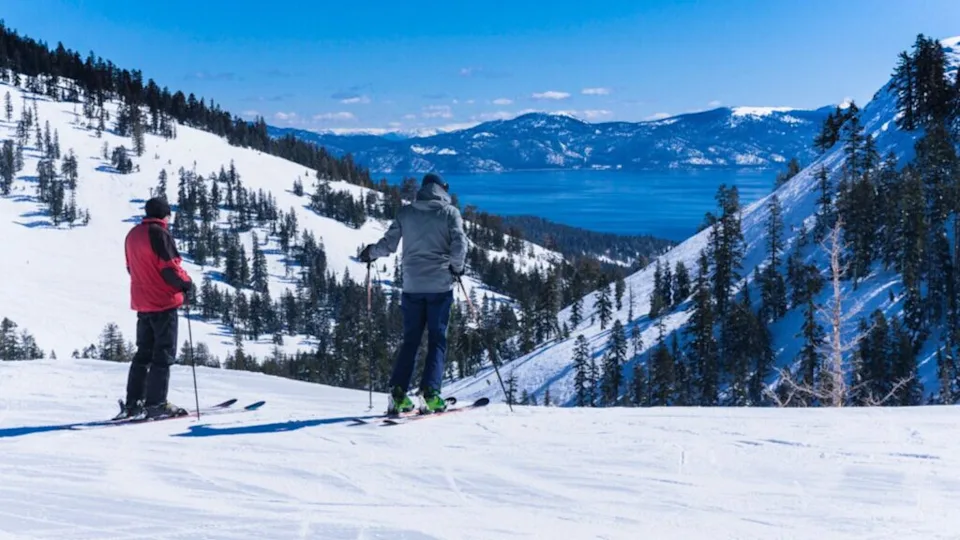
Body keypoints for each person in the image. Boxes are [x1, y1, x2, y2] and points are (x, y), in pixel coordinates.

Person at [359, 172, 467, 415]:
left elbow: (388, 244)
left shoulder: (406, 213)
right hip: (440, 286)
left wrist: (370, 253)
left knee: (411, 341)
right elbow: (460, 243)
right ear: (442, 189)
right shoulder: (450, 213)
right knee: (437, 340)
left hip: (412, 287)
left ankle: (398, 395)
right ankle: (430, 394)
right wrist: (457, 268)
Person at [116, 197, 194, 419]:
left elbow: (131, 268)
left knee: (143, 353)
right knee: (163, 354)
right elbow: (170, 269)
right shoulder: (159, 234)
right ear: (164, 215)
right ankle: (156, 403)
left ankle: (134, 403)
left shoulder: (132, 235)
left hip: (142, 301)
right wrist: (187, 284)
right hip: (163, 301)